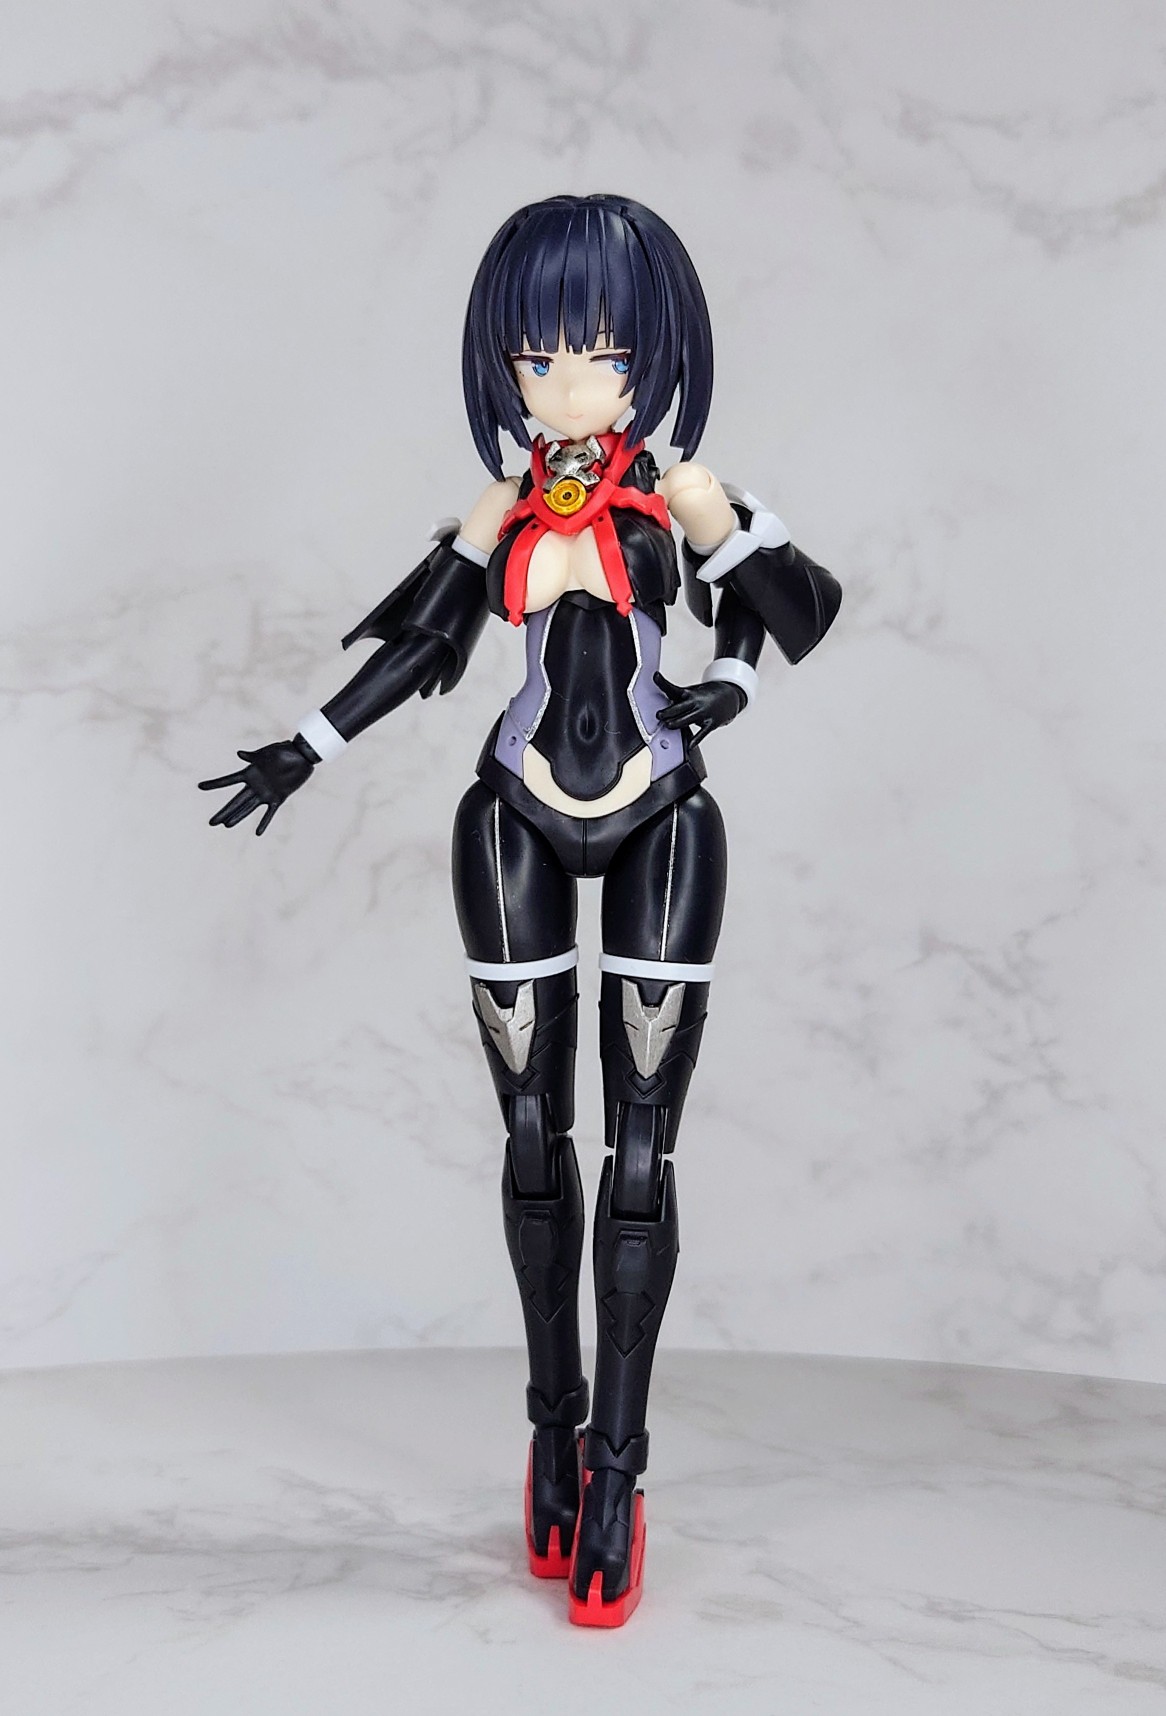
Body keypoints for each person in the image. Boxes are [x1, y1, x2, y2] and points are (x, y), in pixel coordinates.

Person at [200, 193, 841, 1626]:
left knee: (640, 1155)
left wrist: (732, 679)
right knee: (534, 1140)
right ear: (504, 363)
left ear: (652, 356)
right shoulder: (500, 508)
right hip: (513, 814)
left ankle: (618, 1469)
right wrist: (304, 746)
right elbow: (422, 646)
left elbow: (793, 605)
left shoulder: (679, 489)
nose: (566, 381)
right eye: (537, 356)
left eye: (600, 352)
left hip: (662, 811)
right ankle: (551, 1435)